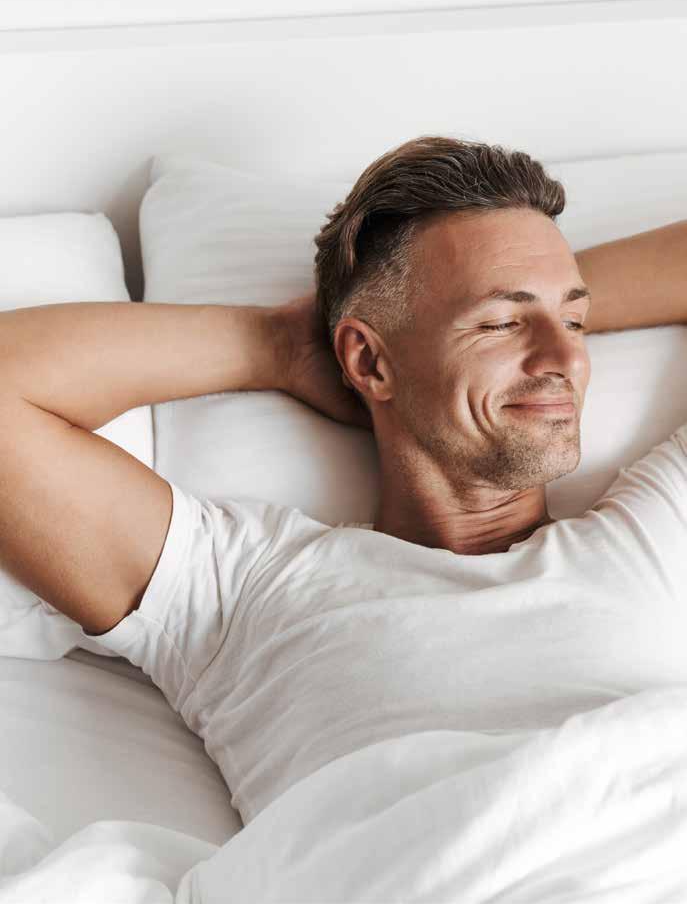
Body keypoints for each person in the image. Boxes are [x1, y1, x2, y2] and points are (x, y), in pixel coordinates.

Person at [1, 136, 686, 828]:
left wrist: (528, 302)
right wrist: (278, 345)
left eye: (575, 320)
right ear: (369, 362)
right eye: (503, 322)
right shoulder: (245, 592)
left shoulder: (659, 535)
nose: (567, 357)